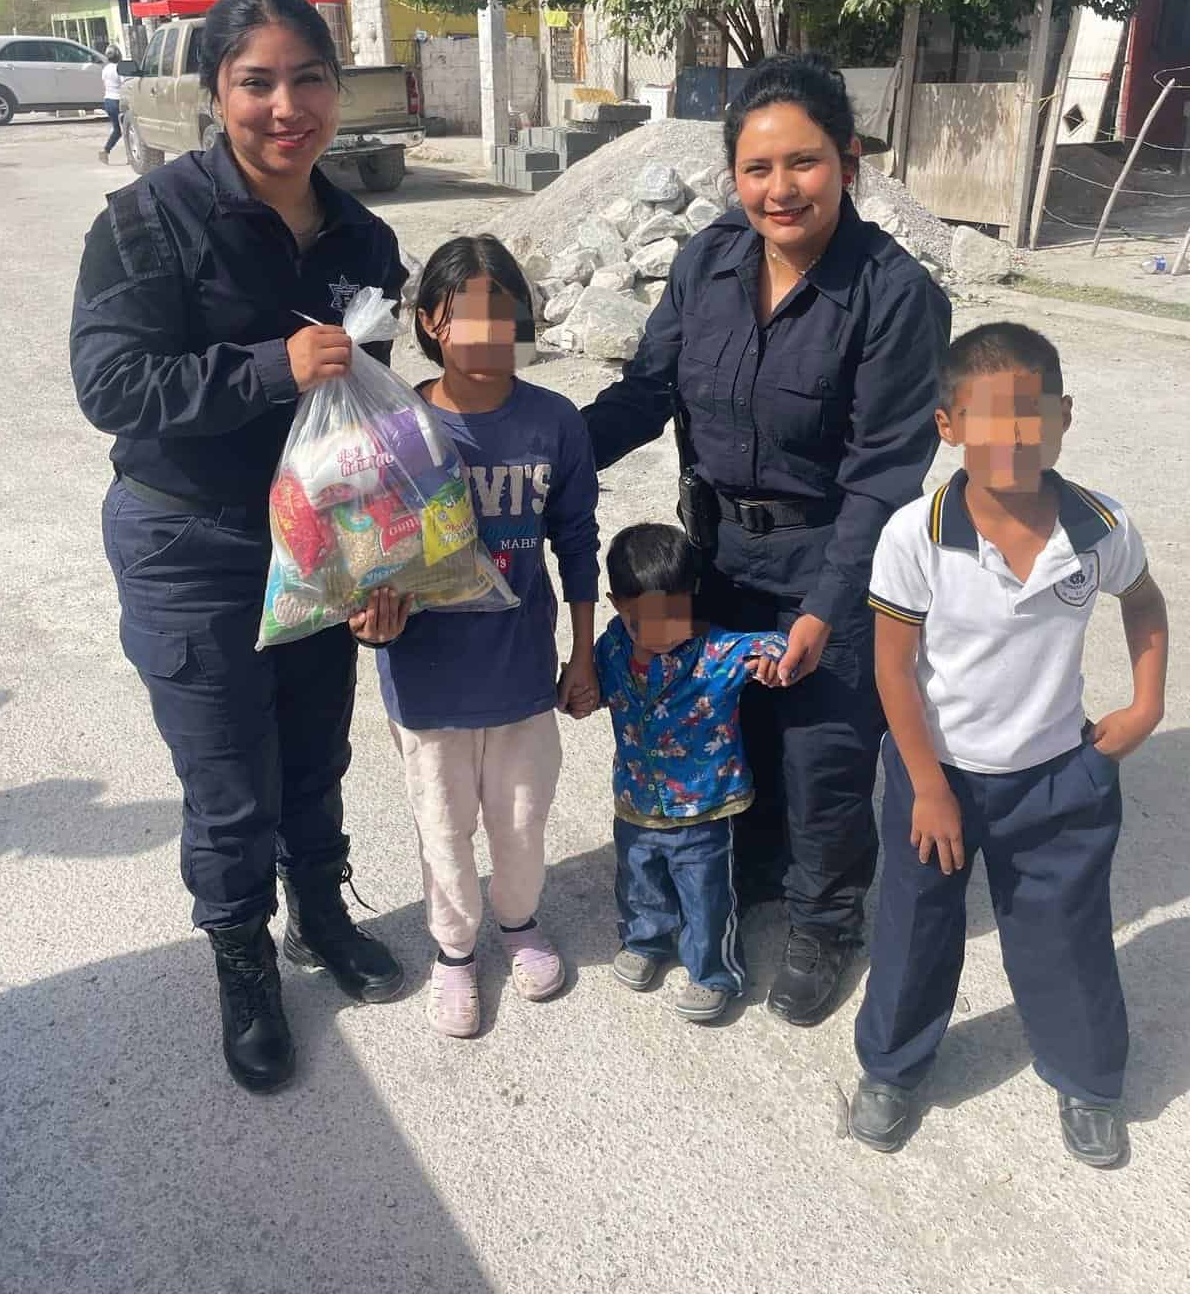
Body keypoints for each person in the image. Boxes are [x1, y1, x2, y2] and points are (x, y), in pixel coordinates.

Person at [70, 0, 409, 1094]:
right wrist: (270, 364)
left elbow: (369, 416)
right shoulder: (148, 220)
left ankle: (320, 910)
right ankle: (243, 962)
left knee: (316, 751)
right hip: (192, 540)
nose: (286, 106)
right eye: (256, 81)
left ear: (336, 84)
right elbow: (110, 381)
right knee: (228, 780)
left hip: (317, 541)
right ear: (216, 91)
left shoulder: (365, 238)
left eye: (308, 77)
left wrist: (381, 560)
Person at [583, 54, 951, 1028]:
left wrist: (827, 609)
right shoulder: (707, 262)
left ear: (849, 160)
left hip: (837, 559)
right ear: (732, 173)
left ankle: (828, 917)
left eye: (804, 162)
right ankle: (753, 867)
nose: (779, 188)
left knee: (825, 752)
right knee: (732, 727)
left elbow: (883, 475)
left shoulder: (893, 295)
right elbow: (645, 391)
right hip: (717, 555)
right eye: (757, 168)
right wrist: (546, 450)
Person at [850, 323, 1168, 1167]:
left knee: (1066, 931)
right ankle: (893, 1067)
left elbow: (1144, 601)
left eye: (1031, 419)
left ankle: (1089, 1079)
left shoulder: (1099, 527)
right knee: (916, 926)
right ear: (949, 427)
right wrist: (925, 784)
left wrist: (1143, 707)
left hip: (1059, 774)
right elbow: (893, 671)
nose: (1012, 440)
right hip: (939, 774)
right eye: (987, 422)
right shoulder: (915, 535)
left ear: (1064, 417)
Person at [354, 235, 600, 1039]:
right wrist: (369, 617)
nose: (491, 333)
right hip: (428, 684)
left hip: (524, 675)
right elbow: (366, 550)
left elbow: (577, 540)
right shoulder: (398, 424)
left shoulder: (554, 422)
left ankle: (520, 922)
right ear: (431, 322)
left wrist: (583, 651)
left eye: (507, 314)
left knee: (522, 819)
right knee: (443, 824)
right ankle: (455, 952)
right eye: (470, 316)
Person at [595, 523, 787, 1021]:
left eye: (671, 619)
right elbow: (591, 687)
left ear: (691, 598)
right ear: (617, 604)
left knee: (707, 896)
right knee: (639, 881)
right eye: (643, 623)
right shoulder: (612, 648)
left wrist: (773, 657)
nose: (658, 636)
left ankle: (714, 973)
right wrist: (575, 692)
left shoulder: (717, 653)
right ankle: (647, 940)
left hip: (705, 811)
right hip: (636, 800)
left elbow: (774, 644)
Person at [98, 45, 123, 165]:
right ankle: (106, 149)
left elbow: (105, 85)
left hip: (108, 101)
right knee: (124, 129)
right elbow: (126, 84)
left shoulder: (105, 69)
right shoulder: (120, 68)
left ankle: (106, 150)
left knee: (118, 129)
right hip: (118, 101)